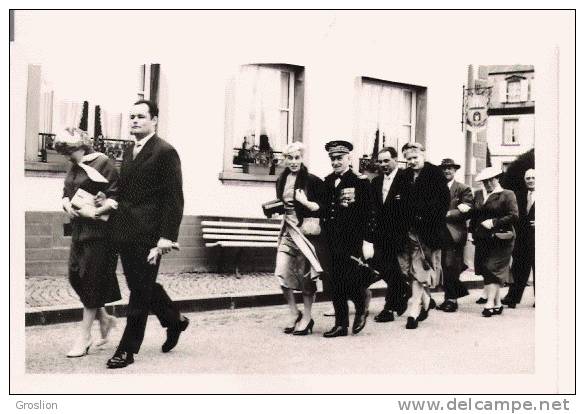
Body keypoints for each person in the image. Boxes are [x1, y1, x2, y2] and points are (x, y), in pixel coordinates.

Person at [106, 100, 188, 369]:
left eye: (141, 116)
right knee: (141, 285)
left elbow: (174, 198)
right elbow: (126, 190)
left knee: (139, 292)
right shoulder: (130, 150)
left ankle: (127, 350)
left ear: (154, 120)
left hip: (150, 236)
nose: (134, 121)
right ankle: (175, 320)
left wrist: (166, 237)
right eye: (131, 116)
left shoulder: (165, 152)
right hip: (126, 232)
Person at [55, 128, 121, 358]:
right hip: (79, 231)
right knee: (75, 276)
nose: (67, 157)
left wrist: (95, 210)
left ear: (81, 147)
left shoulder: (105, 164)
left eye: (69, 151)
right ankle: (104, 318)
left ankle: (84, 337)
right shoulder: (75, 166)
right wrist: (66, 204)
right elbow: (66, 191)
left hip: (100, 234)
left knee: (91, 279)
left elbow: (114, 198)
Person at [321, 140, 376, 337]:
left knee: (351, 281)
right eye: (333, 159)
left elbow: (370, 213)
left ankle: (361, 308)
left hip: (352, 241)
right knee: (335, 284)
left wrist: (368, 241)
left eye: (339, 158)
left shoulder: (360, 181)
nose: (336, 162)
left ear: (348, 158)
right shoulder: (327, 182)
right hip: (332, 241)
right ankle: (341, 325)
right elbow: (325, 210)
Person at [274, 142, 326, 335]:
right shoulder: (281, 179)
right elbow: (282, 203)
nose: (294, 162)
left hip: (306, 233)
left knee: (306, 278)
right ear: (285, 159)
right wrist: (274, 210)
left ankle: (307, 316)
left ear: (302, 158)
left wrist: (306, 202)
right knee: (281, 271)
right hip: (287, 231)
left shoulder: (312, 180)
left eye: (297, 158)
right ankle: (294, 312)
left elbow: (322, 207)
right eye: (290, 158)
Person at [398, 142, 450, 329]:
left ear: (423, 155)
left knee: (420, 267)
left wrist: (424, 216)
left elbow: (443, 202)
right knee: (408, 269)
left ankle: (414, 309)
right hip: (407, 230)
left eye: (415, 157)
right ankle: (426, 300)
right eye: (408, 159)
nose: (412, 161)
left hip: (427, 231)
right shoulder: (404, 176)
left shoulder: (435, 174)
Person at [469, 166, 519, 317]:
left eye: (491, 180)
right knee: (487, 270)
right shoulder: (478, 194)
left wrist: (494, 222)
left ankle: (490, 303)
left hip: (501, 238)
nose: (488, 183)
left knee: (493, 268)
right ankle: (497, 304)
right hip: (483, 238)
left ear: (497, 178)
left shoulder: (507, 194)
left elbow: (514, 215)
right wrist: (471, 231)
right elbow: (474, 215)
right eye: (485, 181)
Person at [370, 147, 410, 322]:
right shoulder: (376, 182)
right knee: (381, 265)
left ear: (395, 160)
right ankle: (404, 289)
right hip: (380, 233)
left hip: (399, 234)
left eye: (387, 161)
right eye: (381, 161)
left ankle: (389, 308)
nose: (383, 165)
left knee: (392, 267)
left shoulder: (406, 180)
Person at [437, 158, 473, 312]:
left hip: (454, 233)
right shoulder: (436, 188)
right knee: (444, 266)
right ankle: (449, 297)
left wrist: (446, 213)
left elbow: (467, 209)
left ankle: (452, 299)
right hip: (437, 232)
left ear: (455, 170)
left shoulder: (463, 189)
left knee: (451, 265)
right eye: (444, 168)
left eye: (450, 168)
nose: (447, 171)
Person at [504, 168, 535, 308]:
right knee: (518, 268)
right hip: (522, 239)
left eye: (533, 177)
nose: (531, 180)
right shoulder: (519, 196)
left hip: (540, 239)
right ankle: (512, 298)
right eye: (528, 178)